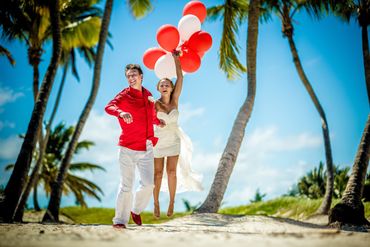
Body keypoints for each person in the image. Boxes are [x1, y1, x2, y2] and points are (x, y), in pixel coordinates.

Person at [105, 64, 165, 229]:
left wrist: (158, 122)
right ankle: (119, 221)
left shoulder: (149, 96)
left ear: (141, 76)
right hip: (128, 148)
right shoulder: (124, 95)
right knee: (126, 186)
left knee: (149, 184)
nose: (131, 78)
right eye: (129, 76)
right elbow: (109, 107)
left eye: (134, 75)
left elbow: (150, 116)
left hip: (146, 147)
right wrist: (121, 113)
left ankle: (136, 210)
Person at [153, 52, 203, 219]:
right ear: (158, 88)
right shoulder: (154, 103)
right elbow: (148, 119)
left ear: (171, 87)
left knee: (172, 172)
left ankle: (172, 202)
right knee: (158, 174)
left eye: (167, 84)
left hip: (173, 139)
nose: (165, 86)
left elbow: (180, 78)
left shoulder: (175, 100)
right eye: (162, 84)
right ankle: (156, 203)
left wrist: (176, 58)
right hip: (158, 141)